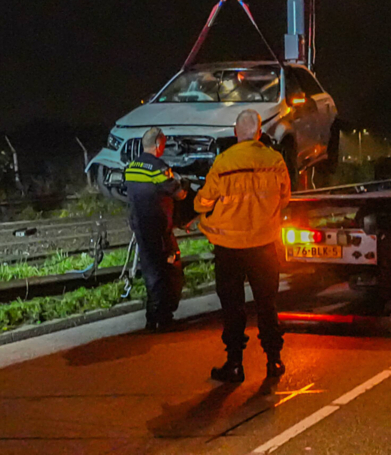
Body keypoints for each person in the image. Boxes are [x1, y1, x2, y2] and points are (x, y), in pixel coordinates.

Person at [195, 110, 291, 383]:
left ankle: (235, 364)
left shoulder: (223, 162)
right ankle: (274, 361)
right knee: (267, 304)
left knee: (233, 307)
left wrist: (198, 207)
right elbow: (285, 198)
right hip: (263, 246)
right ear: (259, 133)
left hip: (229, 248)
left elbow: (203, 202)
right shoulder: (275, 160)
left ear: (237, 133)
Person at [124, 127, 187, 332]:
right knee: (170, 269)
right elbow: (178, 193)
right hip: (160, 230)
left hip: (141, 228)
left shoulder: (131, 167)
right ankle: (164, 317)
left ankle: (152, 318)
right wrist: (183, 185)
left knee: (151, 270)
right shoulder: (158, 168)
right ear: (159, 145)